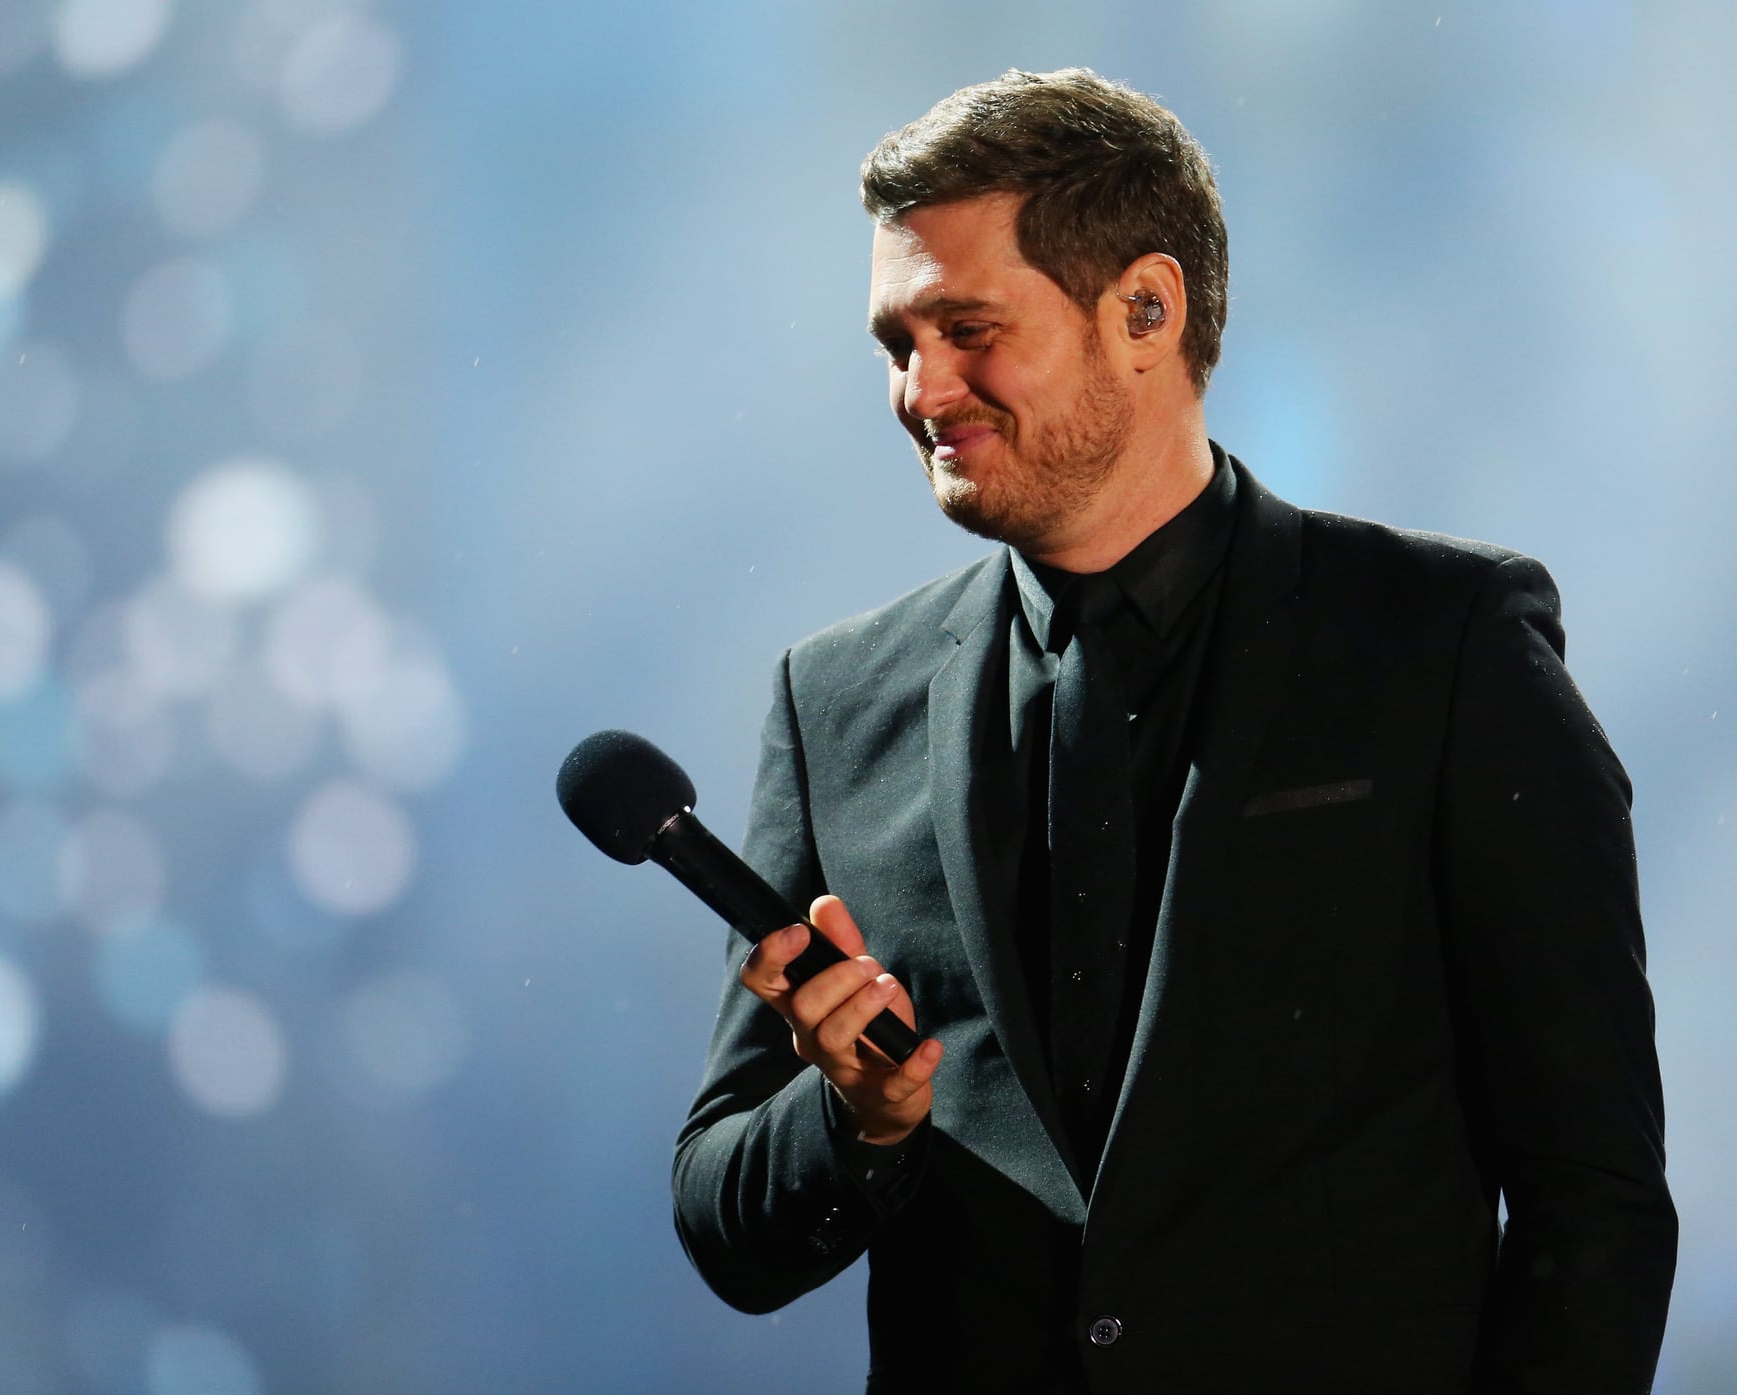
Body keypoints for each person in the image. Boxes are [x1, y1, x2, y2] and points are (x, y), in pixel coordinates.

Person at [672, 69, 1676, 1393]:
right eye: (895, 344)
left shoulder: (1442, 645)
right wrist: (858, 1124)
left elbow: (1592, 1198)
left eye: (967, 328)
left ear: (1145, 309)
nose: (924, 390)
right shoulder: (836, 701)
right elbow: (727, 1229)